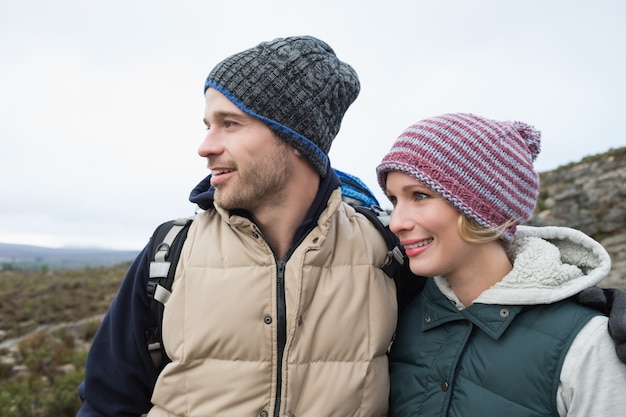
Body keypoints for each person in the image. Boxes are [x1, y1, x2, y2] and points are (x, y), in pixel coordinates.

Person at [76, 36, 398, 416]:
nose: (205, 146)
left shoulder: (387, 249)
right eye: (208, 125)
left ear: (297, 139)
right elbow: (106, 403)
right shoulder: (171, 252)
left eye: (230, 123)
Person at [376, 113, 626, 417]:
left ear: (482, 206)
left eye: (419, 195)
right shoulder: (396, 315)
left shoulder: (587, 346)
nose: (397, 222)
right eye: (393, 200)